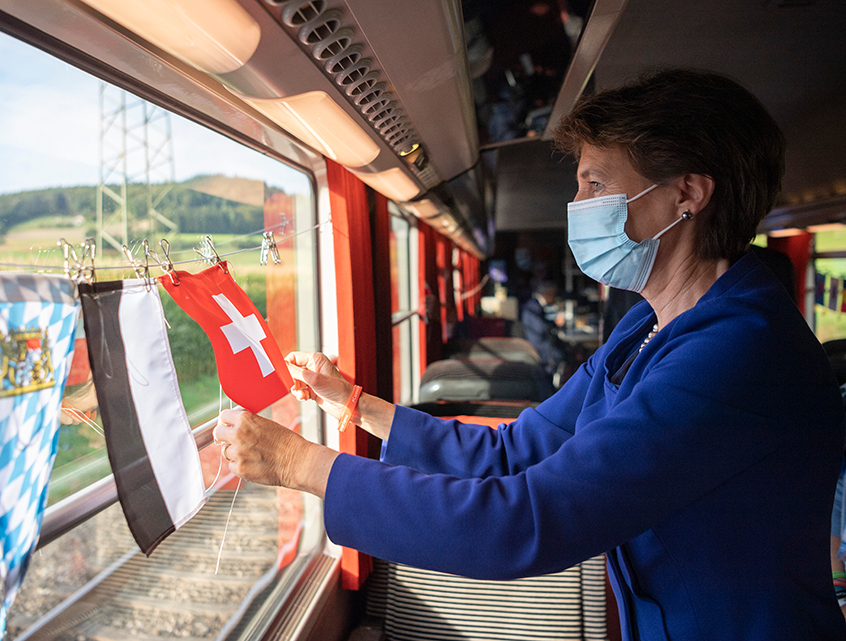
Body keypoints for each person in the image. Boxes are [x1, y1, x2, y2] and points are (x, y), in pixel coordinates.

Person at [213, 69, 846, 640]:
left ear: (688, 193)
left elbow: (525, 522)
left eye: (596, 184)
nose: (577, 207)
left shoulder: (739, 352)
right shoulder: (645, 327)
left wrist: (301, 464)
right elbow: (514, 452)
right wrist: (355, 405)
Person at [520, 280, 565, 374]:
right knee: (561, 355)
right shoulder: (533, 307)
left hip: (538, 342)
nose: (554, 297)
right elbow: (540, 329)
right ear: (548, 294)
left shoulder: (533, 304)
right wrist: (555, 323)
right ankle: (551, 378)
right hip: (538, 346)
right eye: (553, 294)